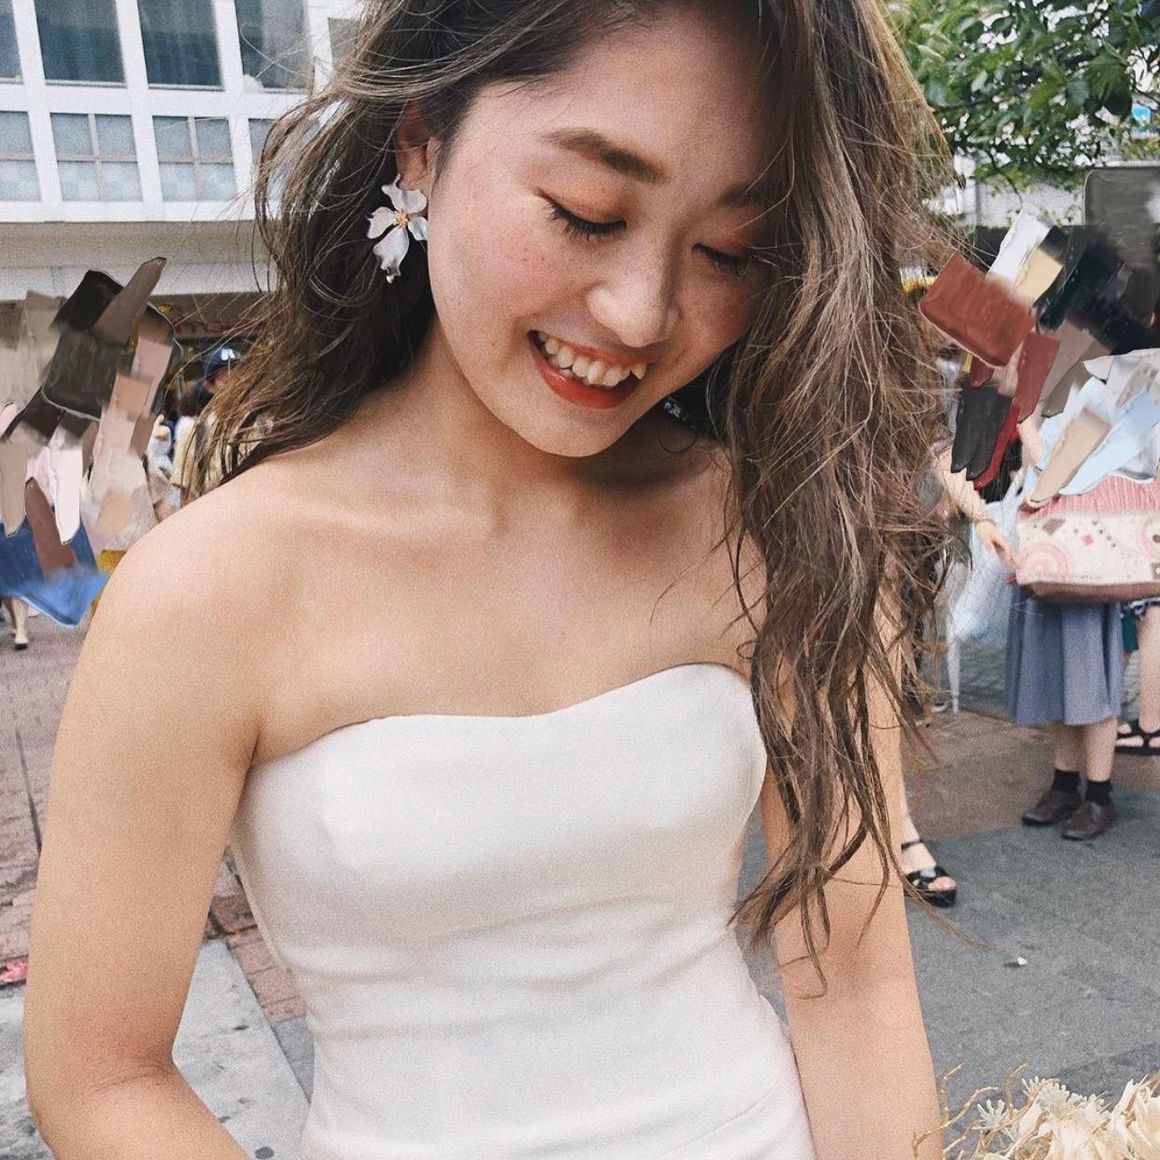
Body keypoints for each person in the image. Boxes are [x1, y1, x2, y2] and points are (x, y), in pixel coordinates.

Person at [24, 3, 950, 1157]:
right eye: (584, 212)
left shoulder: (770, 524)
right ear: (420, 144)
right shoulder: (209, 585)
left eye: (728, 250)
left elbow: (853, 984)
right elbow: (102, 1073)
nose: (640, 311)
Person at [1009, 410, 1122, 839]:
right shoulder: (1046, 395)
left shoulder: (1100, 394)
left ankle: (1099, 795)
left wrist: (1026, 424)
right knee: (1057, 671)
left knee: (1091, 677)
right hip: (1047, 547)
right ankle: (1064, 783)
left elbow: (1058, 472)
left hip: (1084, 552)